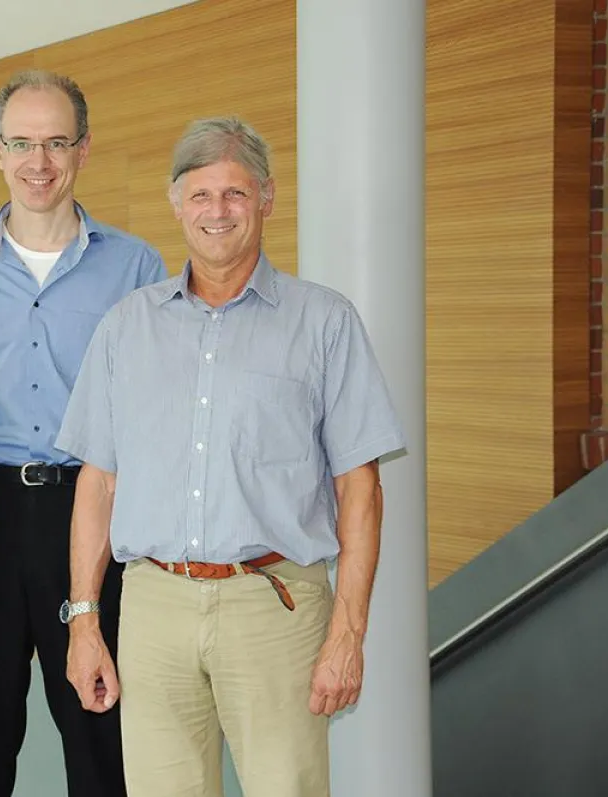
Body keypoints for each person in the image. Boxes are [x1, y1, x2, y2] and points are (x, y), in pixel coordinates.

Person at [56, 116, 406, 797]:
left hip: (274, 605)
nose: (217, 211)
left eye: (235, 194)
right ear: (175, 201)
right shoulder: (127, 326)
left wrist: (347, 633)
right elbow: (98, 484)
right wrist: (85, 619)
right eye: (200, 194)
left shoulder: (325, 321)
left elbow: (359, 489)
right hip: (154, 603)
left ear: (267, 198)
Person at [0, 70, 167, 797]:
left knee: (100, 742)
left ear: (83, 149)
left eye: (55, 142)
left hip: (92, 516)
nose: (37, 161)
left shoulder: (136, 267)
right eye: (21, 142)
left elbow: (152, 417)